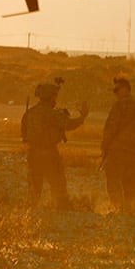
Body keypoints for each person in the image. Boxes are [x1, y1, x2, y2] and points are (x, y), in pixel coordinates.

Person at [21, 79, 89, 209]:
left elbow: (24, 134)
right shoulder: (51, 114)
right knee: (58, 186)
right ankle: (61, 213)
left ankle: (30, 213)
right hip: (49, 155)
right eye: (54, 96)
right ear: (50, 96)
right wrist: (82, 117)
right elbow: (69, 124)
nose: (55, 99)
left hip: (33, 154)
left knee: (34, 187)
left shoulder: (30, 112)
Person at [99, 77, 135, 210]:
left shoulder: (119, 106)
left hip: (117, 151)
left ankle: (117, 208)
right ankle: (131, 209)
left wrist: (105, 147)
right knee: (130, 182)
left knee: (114, 181)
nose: (115, 93)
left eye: (117, 89)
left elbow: (110, 128)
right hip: (134, 151)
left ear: (126, 89)